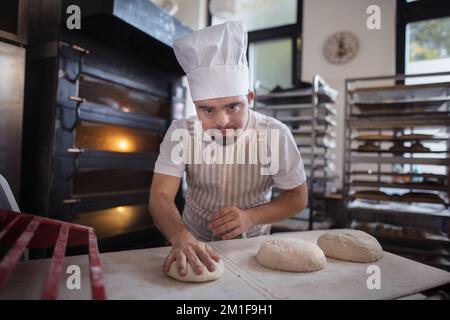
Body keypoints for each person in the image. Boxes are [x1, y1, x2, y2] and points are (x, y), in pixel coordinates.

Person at [149, 21, 308, 278]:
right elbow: (160, 196)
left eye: (233, 106)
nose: (221, 122)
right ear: (195, 105)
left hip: (252, 246)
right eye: (207, 109)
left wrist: (250, 217)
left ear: (250, 99)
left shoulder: (275, 135)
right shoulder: (181, 132)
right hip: (191, 240)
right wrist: (181, 237)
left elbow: (298, 197)